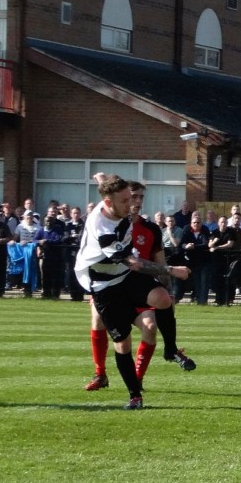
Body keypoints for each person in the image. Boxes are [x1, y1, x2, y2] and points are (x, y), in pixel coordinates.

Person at [74, 174, 194, 409]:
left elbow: (104, 186)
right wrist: (171, 270)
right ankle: (135, 395)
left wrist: (101, 178)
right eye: (126, 200)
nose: (132, 204)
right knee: (123, 343)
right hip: (105, 287)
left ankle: (170, 350)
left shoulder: (111, 202)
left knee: (162, 298)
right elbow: (135, 263)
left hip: (125, 276)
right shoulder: (103, 230)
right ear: (109, 203)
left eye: (134, 198)